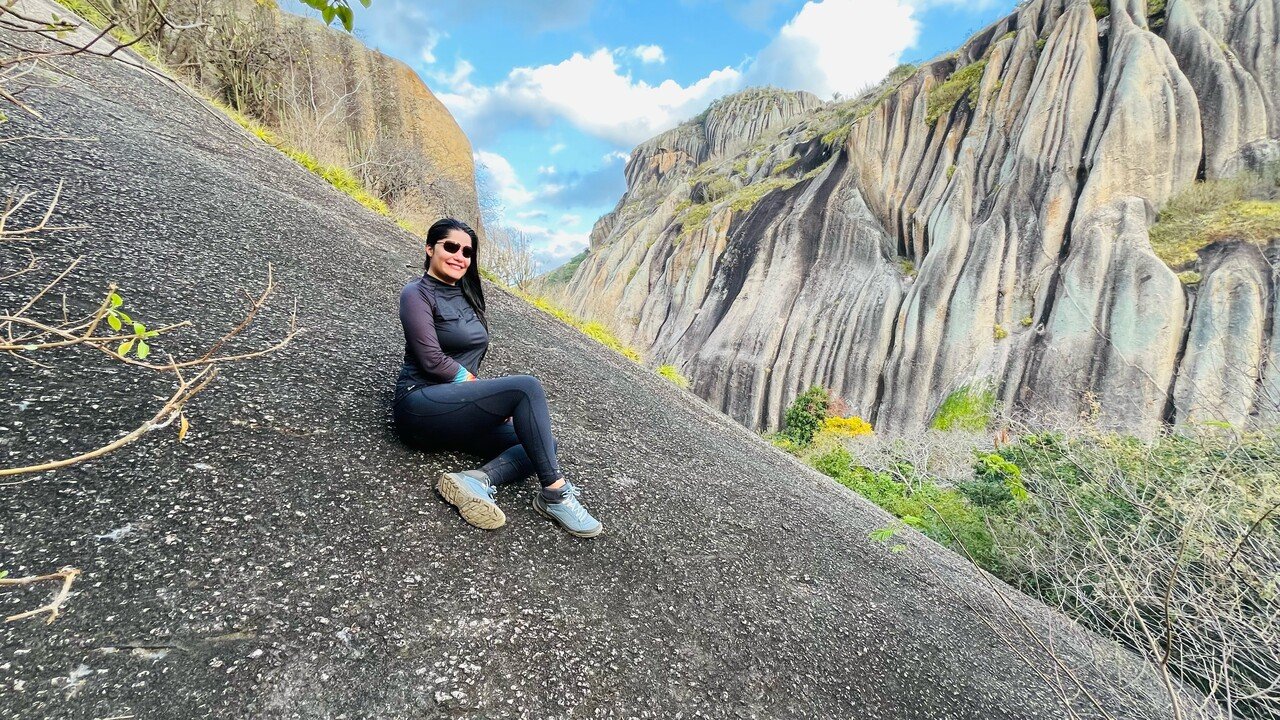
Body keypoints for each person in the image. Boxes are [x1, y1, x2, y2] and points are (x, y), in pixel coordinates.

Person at [392, 218, 602, 538]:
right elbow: (432, 360)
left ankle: (476, 480)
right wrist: (482, 391)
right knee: (525, 386)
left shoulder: (467, 299)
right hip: (420, 404)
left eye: (467, 251)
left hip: (454, 412)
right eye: (450, 247)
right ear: (430, 248)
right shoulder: (416, 294)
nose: (459, 255)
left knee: (542, 445)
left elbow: (467, 357)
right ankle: (556, 494)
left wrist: (482, 402)